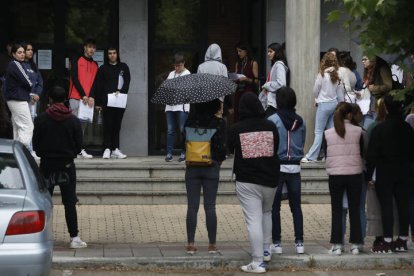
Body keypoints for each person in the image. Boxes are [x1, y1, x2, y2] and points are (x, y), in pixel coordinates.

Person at [227, 93, 279, 273]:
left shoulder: (236, 128)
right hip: (270, 179)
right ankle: (266, 250)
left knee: (253, 219)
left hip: (247, 181)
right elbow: (275, 148)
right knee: (267, 213)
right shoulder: (271, 126)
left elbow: (227, 148)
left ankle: (257, 261)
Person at [33, 86, 87, 249]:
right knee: (69, 202)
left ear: (49, 99)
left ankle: (41, 236)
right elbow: (79, 145)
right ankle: (74, 237)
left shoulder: (41, 119)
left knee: (44, 202)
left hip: (47, 165)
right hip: (67, 165)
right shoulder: (73, 120)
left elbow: (36, 144)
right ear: (65, 100)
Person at [366, 94, 414, 253]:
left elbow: (372, 155)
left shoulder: (380, 129)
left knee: (386, 206)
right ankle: (402, 238)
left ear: (385, 108)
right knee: (403, 205)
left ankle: (386, 239)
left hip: (385, 172)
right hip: (405, 172)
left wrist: (368, 176)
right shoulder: (407, 128)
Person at [184, 99, 226, 255]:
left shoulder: (189, 121)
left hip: (192, 167)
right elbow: (222, 148)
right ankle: (212, 245)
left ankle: (190, 244)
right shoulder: (219, 123)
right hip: (211, 167)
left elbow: (184, 143)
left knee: (192, 207)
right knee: (210, 206)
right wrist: (218, 161)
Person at [267, 87, 306, 255]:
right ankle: (299, 243)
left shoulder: (273, 120)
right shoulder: (301, 121)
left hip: (277, 165)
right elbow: (303, 141)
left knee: (274, 207)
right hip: (295, 166)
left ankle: (277, 243)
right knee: (296, 206)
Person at [325, 102, 364, 255]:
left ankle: (337, 244)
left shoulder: (328, 132)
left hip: (335, 174)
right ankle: (355, 244)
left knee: (336, 210)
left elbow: (326, 153)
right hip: (354, 173)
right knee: (355, 208)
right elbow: (362, 153)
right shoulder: (358, 131)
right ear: (349, 114)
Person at [301, 52, 344, 163]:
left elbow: (315, 90)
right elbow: (340, 94)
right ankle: (331, 156)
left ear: (324, 61)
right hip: (334, 104)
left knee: (319, 132)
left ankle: (311, 156)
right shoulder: (337, 75)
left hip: (323, 105)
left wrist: (317, 98)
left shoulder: (321, 75)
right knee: (331, 132)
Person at [95, 47, 130, 159]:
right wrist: (99, 102)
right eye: (110, 53)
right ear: (107, 55)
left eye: (114, 53)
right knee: (107, 125)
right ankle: (107, 149)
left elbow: (127, 82)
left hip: (120, 100)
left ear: (117, 54)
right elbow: (99, 86)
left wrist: (121, 91)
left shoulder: (123, 67)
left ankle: (115, 149)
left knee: (116, 126)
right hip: (107, 101)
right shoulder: (103, 68)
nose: (112, 55)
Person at [68, 38, 98, 158]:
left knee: (83, 126)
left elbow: (95, 83)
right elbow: (74, 78)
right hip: (76, 97)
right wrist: (83, 95)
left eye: (93, 47)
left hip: (88, 99)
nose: (91, 49)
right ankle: (72, 149)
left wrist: (91, 96)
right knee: (74, 124)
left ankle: (79, 149)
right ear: (85, 47)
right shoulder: (76, 59)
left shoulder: (95, 64)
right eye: (89, 47)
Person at [3, 43, 34, 148]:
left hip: (14, 99)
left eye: (23, 52)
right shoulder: (15, 64)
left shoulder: (14, 64)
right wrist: (30, 85)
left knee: (18, 127)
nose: (22, 55)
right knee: (28, 126)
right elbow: (28, 82)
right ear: (13, 54)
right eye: (19, 52)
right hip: (18, 99)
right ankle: (21, 150)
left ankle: (15, 152)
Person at [162, 53, 190, 162]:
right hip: (170, 106)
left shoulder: (187, 74)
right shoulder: (171, 74)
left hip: (182, 107)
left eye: (179, 65)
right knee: (170, 130)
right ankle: (169, 153)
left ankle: (184, 153)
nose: (177, 68)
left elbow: (187, 91)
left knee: (182, 130)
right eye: (175, 66)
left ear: (183, 64)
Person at [21, 41, 43, 159]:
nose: (30, 52)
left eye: (31, 50)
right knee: (25, 125)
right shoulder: (19, 65)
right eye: (28, 49)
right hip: (23, 99)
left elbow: (40, 82)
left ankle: (31, 148)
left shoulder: (34, 66)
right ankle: (27, 150)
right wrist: (29, 95)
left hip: (34, 101)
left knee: (31, 125)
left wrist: (37, 94)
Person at [197, 43, 231, 118]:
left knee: (205, 123)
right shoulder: (222, 67)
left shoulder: (201, 66)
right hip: (218, 100)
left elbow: (199, 85)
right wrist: (222, 101)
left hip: (204, 99)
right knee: (218, 124)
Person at [361, 55, 392, 130]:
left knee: (377, 122)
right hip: (371, 101)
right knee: (370, 122)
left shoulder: (382, 69)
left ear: (373, 60)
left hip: (380, 101)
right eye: (362, 59)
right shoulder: (369, 71)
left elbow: (388, 85)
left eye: (365, 59)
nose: (363, 61)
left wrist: (374, 88)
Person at [261, 42, 289, 116]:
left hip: (274, 103)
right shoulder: (275, 65)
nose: (268, 54)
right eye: (268, 52)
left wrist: (267, 85)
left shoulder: (279, 65)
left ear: (277, 52)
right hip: (272, 103)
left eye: (271, 51)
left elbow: (281, 83)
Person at [233, 43, 259, 122]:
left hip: (248, 92)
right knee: (238, 113)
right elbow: (235, 76)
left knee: (248, 113)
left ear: (246, 51)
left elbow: (257, 81)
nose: (238, 53)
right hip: (239, 91)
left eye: (240, 51)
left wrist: (246, 79)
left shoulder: (253, 63)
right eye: (237, 51)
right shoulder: (238, 63)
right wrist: (233, 78)